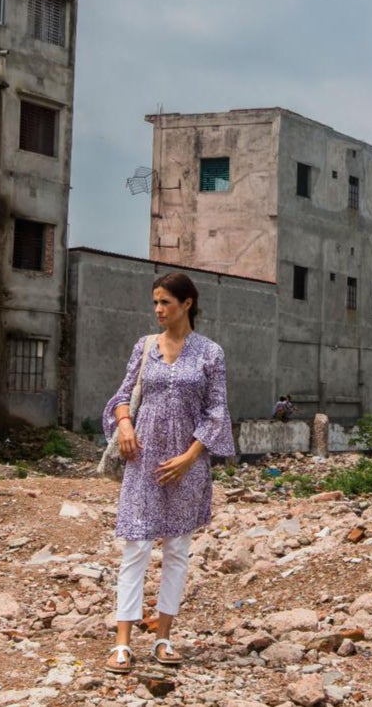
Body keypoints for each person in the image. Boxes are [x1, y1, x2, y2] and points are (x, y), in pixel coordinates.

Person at [101, 272, 235, 674]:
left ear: (187, 304)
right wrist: (124, 424)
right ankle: (122, 644)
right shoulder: (144, 348)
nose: (158, 310)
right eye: (155, 303)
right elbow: (123, 396)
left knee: (176, 552)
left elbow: (217, 411)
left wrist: (190, 457)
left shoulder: (210, 353)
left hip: (186, 466)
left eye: (166, 303)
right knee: (136, 548)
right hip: (143, 461)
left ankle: (163, 637)